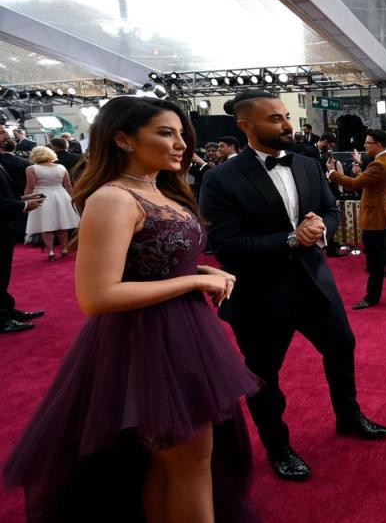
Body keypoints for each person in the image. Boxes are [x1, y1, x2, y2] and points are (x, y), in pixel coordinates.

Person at [3, 96, 261, 521]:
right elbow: (97, 296)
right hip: (149, 342)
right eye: (165, 132)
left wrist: (193, 266)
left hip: (179, 334)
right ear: (123, 138)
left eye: (181, 134)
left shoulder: (154, 189)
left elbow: (146, 257)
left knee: (176, 465)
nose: (181, 144)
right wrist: (197, 279)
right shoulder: (115, 197)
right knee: (189, 464)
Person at [199, 91, 386, 482]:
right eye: (275, 119)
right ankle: (278, 447)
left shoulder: (307, 163)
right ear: (245, 126)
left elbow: (331, 210)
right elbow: (226, 246)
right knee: (265, 376)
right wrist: (290, 240)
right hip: (260, 294)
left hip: (316, 285)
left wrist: (322, 230)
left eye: (286, 116)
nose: (287, 124)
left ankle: (349, 417)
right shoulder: (220, 179)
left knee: (342, 348)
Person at [328, 129, 386, 310]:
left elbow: (355, 185)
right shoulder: (385, 161)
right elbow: (366, 182)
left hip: (378, 218)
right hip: (383, 216)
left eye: (368, 142)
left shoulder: (380, 164)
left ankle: (372, 297)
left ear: (378, 144)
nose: (364, 145)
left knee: (375, 260)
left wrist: (332, 173)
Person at [0, 126, 44, 334]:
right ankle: (2, 318)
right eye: (1, 131)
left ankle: (6, 311)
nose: (7, 134)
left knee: (3, 273)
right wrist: (23, 206)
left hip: (5, 226)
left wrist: (22, 200)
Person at [25, 146, 80, 261]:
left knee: (46, 226)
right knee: (62, 225)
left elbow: (31, 186)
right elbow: (68, 185)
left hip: (42, 197)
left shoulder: (31, 168)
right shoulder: (61, 167)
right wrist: (73, 198)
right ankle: (64, 249)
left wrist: (27, 200)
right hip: (61, 196)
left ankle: (50, 252)